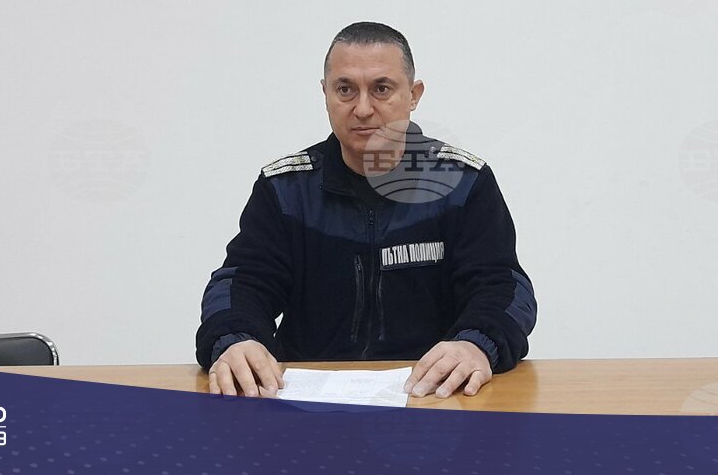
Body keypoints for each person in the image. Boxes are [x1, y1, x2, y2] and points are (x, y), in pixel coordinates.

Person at [196, 21, 536, 399]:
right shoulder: (285, 189)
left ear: (413, 95)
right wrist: (235, 339)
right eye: (345, 90)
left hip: (432, 396)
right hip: (306, 401)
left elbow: (503, 286)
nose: (362, 109)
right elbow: (241, 283)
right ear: (325, 94)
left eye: (381, 89)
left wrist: (477, 344)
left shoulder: (462, 183)